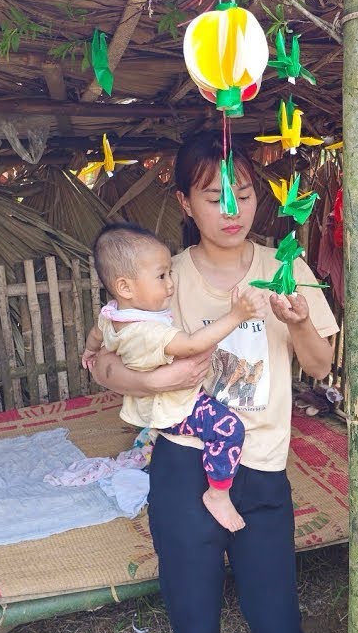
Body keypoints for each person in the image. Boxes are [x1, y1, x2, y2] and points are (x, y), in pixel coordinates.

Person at [86, 131, 337, 633]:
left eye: (243, 194)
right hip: (182, 469)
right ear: (183, 203)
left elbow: (320, 367)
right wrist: (160, 377)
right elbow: (101, 363)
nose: (232, 210)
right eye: (214, 196)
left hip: (263, 470)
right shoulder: (160, 278)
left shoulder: (287, 267)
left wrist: (296, 321)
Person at [83, 223, 270, 532]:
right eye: (161, 276)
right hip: (171, 407)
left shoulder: (114, 315)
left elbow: (95, 334)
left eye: (169, 273)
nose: (170, 284)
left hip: (153, 405)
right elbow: (194, 344)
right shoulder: (147, 331)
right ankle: (218, 492)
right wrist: (237, 315)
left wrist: (90, 352)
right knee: (229, 428)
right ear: (126, 287)